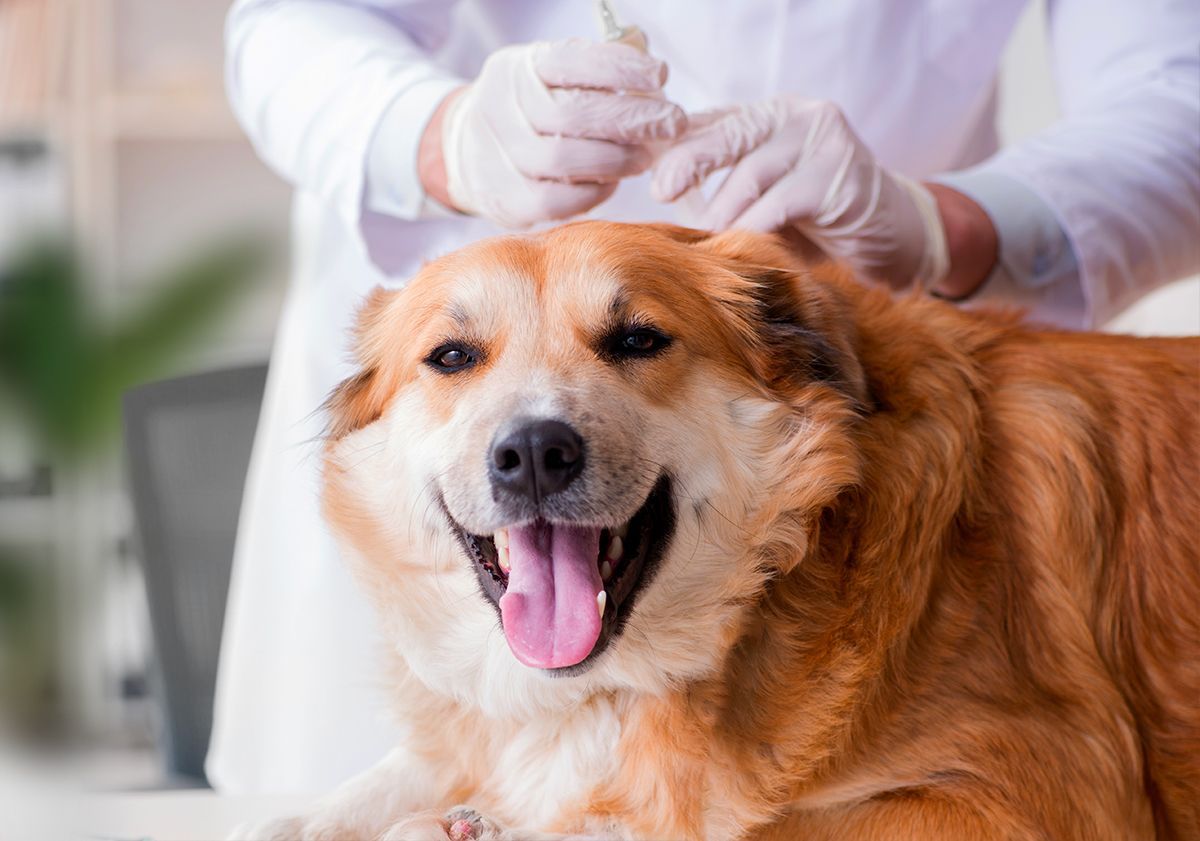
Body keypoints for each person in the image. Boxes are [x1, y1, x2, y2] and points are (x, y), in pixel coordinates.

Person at [209, 0, 1200, 794]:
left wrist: (944, 227)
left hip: (837, 372)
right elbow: (288, 25)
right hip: (432, 280)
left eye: (630, 341)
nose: (538, 432)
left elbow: (1177, 91)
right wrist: (443, 138)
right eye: (460, 355)